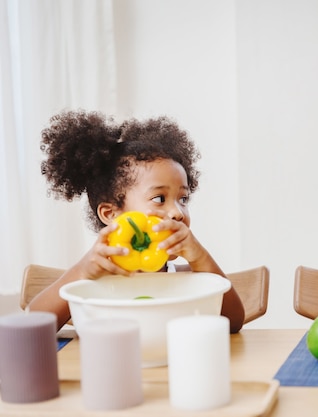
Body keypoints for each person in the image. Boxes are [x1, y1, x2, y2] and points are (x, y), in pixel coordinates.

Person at [28, 110, 245, 333]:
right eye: (159, 199)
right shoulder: (92, 283)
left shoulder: (187, 280)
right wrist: (82, 271)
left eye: (183, 199)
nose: (177, 212)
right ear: (111, 214)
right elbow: (33, 325)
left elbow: (234, 322)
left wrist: (201, 258)